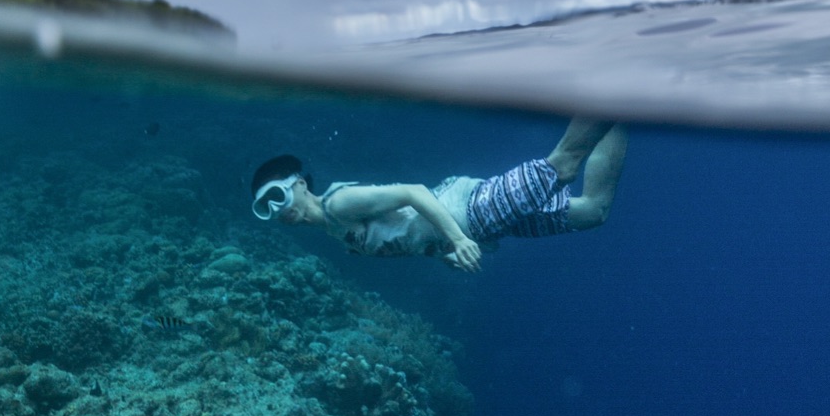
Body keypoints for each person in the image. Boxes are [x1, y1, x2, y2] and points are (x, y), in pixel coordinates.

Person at [250, 118, 626, 271]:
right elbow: (408, 234)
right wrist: (448, 253)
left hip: (474, 211)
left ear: (299, 183)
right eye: (266, 209)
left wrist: (458, 238)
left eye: (277, 196)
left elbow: (413, 193)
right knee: (594, 211)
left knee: (563, 165)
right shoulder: (333, 231)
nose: (279, 210)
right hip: (482, 225)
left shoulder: (338, 204)